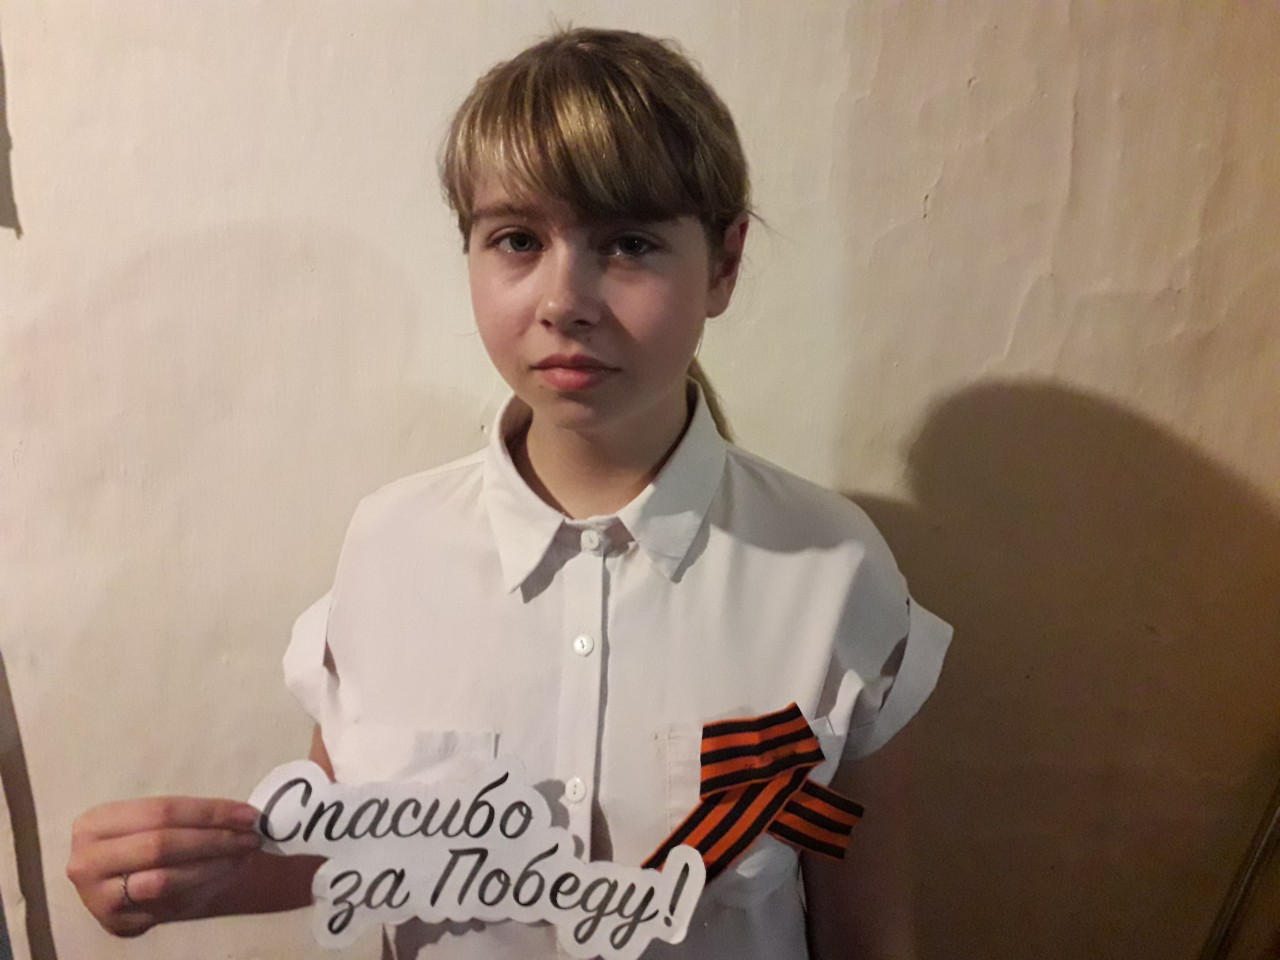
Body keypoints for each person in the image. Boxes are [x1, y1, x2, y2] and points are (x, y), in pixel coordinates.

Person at [67, 26, 951, 959]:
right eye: (518, 240)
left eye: (630, 243)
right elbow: (350, 837)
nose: (564, 301)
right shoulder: (389, 545)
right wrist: (182, 875)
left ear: (724, 265)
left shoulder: (830, 569)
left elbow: (863, 931)